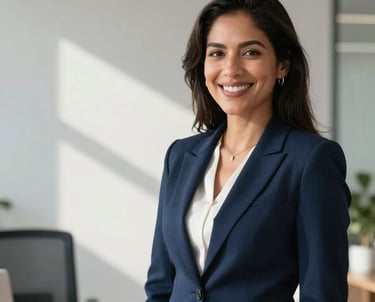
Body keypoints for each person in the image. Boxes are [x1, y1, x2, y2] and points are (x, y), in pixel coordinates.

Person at [145, 0, 351, 301]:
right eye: (217, 53)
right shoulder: (180, 157)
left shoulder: (310, 162)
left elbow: (323, 293)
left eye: (250, 52)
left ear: (283, 64)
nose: (231, 69)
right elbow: (161, 285)